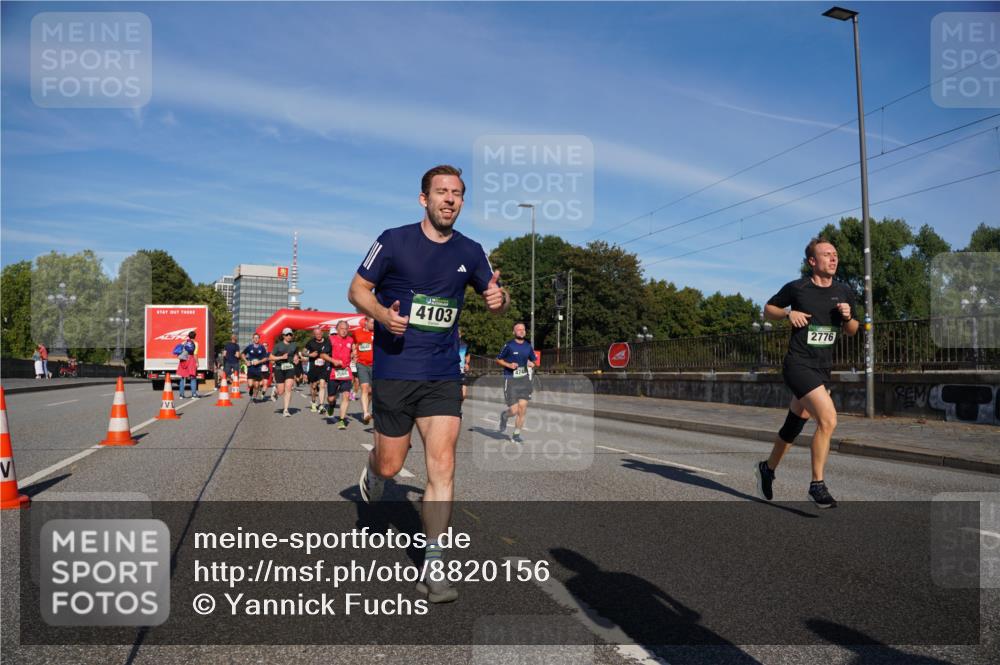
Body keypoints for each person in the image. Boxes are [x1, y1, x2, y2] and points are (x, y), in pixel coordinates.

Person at [348, 164, 509, 604]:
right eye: (441, 192)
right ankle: (373, 473)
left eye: (457, 193)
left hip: (441, 372)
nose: (450, 199)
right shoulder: (393, 240)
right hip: (396, 370)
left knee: (443, 467)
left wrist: (500, 299)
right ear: (424, 199)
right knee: (389, 465)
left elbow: (494, 293)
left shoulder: (472, 250)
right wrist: (382, 315)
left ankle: (434, 565)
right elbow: (357, 289)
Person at [755, 237, 859, 509]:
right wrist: (788, 314)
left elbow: (852, 331)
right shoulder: (798, 288)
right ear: (813, 261)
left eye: (835, 254)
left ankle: (767, 468)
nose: (833, 258)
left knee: (793, 426)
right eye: (826, 254)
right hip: (798, 364)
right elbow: (768, 310)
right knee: (828, 419)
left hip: (822, 368)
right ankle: (817, 485)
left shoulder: (845, 291)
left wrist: (849, 318)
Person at [496, 322, 537, 443]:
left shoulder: (528, 346)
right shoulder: (509, 345)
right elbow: (498, 359)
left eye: (523, 329)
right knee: (514, 411)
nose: (521, 331)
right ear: (514, 332)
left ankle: (516, 434)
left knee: (522, 408)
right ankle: (504, 416)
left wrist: (532, 363)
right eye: (518, 329)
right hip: (510, 380)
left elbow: (534, 361)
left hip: (524, 379)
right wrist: (509, 364)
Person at [327, 320, 355, 429]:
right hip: (334, 371)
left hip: (346, 371)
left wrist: (353, 355)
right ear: (337, 329)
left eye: (346, 329)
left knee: (346, 395)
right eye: (342, 329)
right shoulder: (331, 339)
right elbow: (323, 354)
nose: (344, 331)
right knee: (331, 398)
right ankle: (331, 405)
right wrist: (333, 360)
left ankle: (342, 420)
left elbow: (352, 350)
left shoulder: (350, 340)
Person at [269, 328, 298, 417]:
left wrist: (296, 359)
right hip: (279, 368)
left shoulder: (294, 345)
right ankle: (275, 390)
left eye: (290, 334)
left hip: (290, 368)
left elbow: (296, 354)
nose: (289, 336)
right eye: (287, 335)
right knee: (281, 391)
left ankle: (286, 410)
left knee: (288, 389)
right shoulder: (278, 346)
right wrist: (281, 357)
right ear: (283, 336)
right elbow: (271, 357)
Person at [353, 315, 376, 423]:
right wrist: (353, 353)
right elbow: (353, 343)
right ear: (366, 322)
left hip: (375, 365)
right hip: (362, 364)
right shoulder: (357, 332)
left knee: (371, 391)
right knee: (365, 388)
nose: (374, 325)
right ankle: (366, 412)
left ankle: (367, 408)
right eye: (372, 323)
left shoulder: (378, 333)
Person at [305, 327, 332, 413]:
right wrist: (310, 355)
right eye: (316, 334)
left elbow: (332, 351)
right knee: (313, 386)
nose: (318, 335)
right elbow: (303, 352)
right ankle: (313, 402)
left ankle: (321, 405)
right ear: (314, 334)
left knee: (322, 384)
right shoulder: (310, 342)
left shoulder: (327, 341)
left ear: (322, 333)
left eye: (320, 334)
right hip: (313, 367)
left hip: (324, 367)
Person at [243, 333, 269, 401]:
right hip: (251, 368)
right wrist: (246, 361)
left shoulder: (262, 347)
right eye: (255, 338)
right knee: (250, 384)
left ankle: (254, 397)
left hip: (258, 369)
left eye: (257, 338)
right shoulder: (249, 347)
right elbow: (242, 354)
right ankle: (251, 389)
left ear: (259, 339)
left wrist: (259, 362)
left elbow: (266, 358)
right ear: (253, 339)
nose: (256, 339)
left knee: (257, 385)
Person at [176, 330, 201, 398]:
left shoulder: (184, 342)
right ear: (195, 336)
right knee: (193, 377)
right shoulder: (195, 343)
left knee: (182, 377)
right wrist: (197, 362)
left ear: (188, 336)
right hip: (191, 359)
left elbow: (179, 351)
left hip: (183, 360)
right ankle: (193, 394)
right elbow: (195, 354)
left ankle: (181, 395)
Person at [457, 327, 471, 400]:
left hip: (462, 371)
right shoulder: (448, 345)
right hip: (451, 372)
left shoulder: (464, 345)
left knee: (464, 395)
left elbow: (467, 355)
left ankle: (458, 409)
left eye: (458, 334)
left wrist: (467, 363)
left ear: (460, 335)